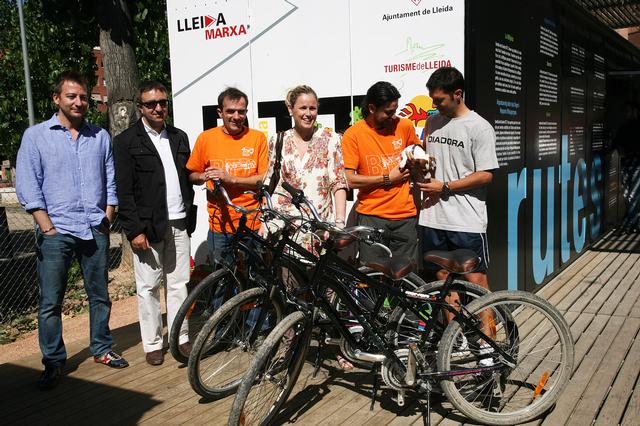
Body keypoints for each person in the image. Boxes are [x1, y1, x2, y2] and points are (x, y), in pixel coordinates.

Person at [16, 71, 128, 390]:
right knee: (51, 302)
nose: (79, 102)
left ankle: (102, 348)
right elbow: (28, 184)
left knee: (100, 295)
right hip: (57, 230)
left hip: (94, 227)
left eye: (83, 97)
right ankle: (54, 361)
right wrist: (46, 226)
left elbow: (110, 180)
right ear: (57, 99)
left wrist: (107, 216)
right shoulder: (36, 137)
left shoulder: (100, 137)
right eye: (71, 96)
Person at [263, 85, 352, 369]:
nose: (308, 113)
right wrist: (268, 217)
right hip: (288, 230)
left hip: (320, 228)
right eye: (303, 107)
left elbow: (338, 182)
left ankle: (338, 347)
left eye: (313, 108)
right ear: (290, 109)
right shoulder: (277, 140)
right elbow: (270, 182)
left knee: (329, 294)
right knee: (290, 294)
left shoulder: (331, 139)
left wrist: (339, 222)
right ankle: (288, 349)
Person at [113, 81, 196, 366]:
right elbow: (124, 192)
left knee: (179, 284)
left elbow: (187, 178)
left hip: (179, 222)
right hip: (147, 227)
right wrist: (134, 230)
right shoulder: (126, 142)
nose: (158, 108)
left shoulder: (179, 136)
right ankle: (152, 343)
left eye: (162, 102)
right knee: (148, 286)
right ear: (140, 107)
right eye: (151, 104)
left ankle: (180, 337)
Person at [418, 66, 499, 292]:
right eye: (432, 99)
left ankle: (487, 319)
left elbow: (486, 175)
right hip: (432, 217)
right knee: (441, 277)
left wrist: (445, 186)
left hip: (466, 219)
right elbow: (431, 159)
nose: (434, 105)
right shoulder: (432, 123)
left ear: (457, 94)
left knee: (475, 279)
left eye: (439, 100)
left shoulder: (479, 127)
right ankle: (452, 319)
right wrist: (415, 162)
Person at [186, 87, 268, 267]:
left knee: (256, 276)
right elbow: (191, 175)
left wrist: (231, 179)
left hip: (253, 223)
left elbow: (264, 179)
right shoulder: (206, 138)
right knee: (222, 278)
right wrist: (205, 176)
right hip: (220, 225)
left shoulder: (258, 138)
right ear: (220, 112)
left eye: (241, 112)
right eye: (230, 111)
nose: (236, 116)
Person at [341, 81, 420, 262]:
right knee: (372, 274)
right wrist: (387, 178)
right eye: (388, 112)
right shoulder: (353, 135)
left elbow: (417, 153)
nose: (394, 116)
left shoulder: (405, 126)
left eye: (395, 110)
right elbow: (350, 180)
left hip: (405, 217)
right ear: (371, 108)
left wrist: (418, 161)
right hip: (371, 217)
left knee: (405, 274)